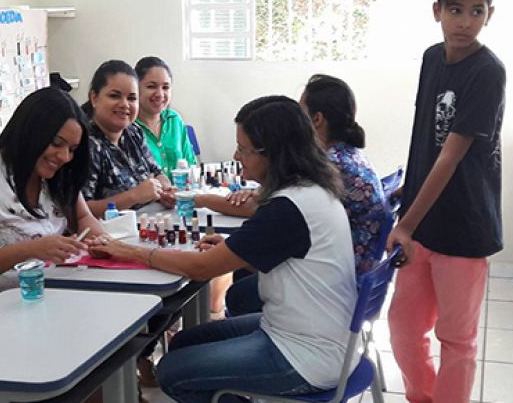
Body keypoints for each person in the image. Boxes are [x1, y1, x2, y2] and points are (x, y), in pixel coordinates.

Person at [92, 96, 358, 403]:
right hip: (309, 332)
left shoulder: (288, 207)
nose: (236, 156)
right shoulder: (308, 190)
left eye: (244, 149)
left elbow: (202, 269)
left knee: (172, 371)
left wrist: (129, 251)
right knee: (183, 343)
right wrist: (232, 249)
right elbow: (292, 257)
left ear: (273, 154)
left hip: (305, 355)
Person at [386, 0, 505, 403]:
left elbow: (452, 155)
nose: (466, 22)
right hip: (422, 220)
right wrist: (408, 186)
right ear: (437, 10)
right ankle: (423, 396)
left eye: (478, 10)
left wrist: (405, 224)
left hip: (465, 226)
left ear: (490, 14)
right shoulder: (432, 58)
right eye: (456, 10)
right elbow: (426, 134)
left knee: (457, 340)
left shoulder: (488, 71)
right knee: (402, 326)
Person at [0, 87, 106, 326]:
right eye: (57, 144)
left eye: (72, 149)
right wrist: (31, 250)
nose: (65, 156)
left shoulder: (56, 175)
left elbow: (85, 219)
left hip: (33, 299)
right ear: (31, 133)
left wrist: (103, 244)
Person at [225, 74, 387, 316]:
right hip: (344, 275)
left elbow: (273, 211)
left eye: (299, 113)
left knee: (240, 289)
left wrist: (198, 199)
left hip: (330, 289)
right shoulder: (346, 156)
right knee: (244, 268)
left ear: (317, 119)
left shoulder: (332, 166)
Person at [81, 60, 174, 218]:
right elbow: (80, 212)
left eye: (132, 98)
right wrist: (134, 196)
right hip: (109, 233)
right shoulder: (86, 143)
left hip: (148, 221)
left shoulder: (134, 132)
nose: (125, 105)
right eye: (114, 96)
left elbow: (158, 173)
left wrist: (162, 190)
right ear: (94, 98)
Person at [134, 56, 197, 177]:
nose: (160, 94)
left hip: (181, 194)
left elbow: (191, 164)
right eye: (151, 86)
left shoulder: (174, 120)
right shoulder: (128, 127)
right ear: (136, 88)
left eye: (165, 87)